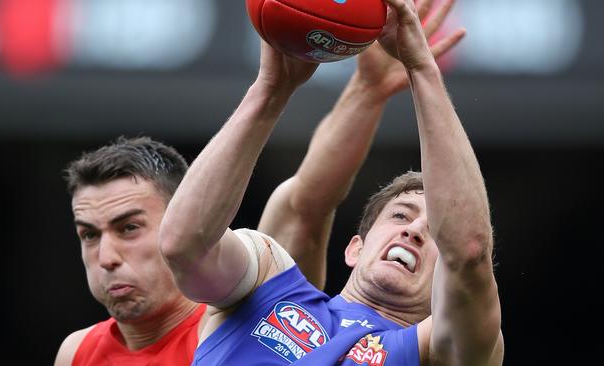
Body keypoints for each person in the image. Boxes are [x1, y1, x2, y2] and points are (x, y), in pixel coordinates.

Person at [54, 0, 464, 363]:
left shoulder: (246, 305)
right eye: (89, 235)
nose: (107, 255)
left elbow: (306, 205)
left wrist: (366, 92)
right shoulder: (80, 352)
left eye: (130, 228)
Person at [159, 0, 504, 365]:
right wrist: (269, 91)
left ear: (444, 284)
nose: (415, 231)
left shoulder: (436, 350)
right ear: (355, 248)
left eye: (435, 231)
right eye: (401, 215)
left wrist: (422, 68)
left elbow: (467, 252)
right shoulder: (268, 284)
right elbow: (183, 245)